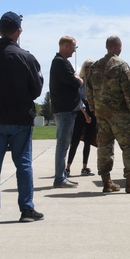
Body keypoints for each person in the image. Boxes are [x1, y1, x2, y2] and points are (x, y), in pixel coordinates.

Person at [0, 12, 45, 223]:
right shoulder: (27, 57)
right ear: (18, 32)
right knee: (23, 164)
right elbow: (36, 90)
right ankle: (26, 209)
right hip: (20, 119)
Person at [87, 36, 130, 194]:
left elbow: (89, 92)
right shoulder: (121, 65)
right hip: (120, 113)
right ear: (118, 46)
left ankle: (107, 183)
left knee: (104, 147)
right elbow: (127, 91)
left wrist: (95, 109)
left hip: (101, 114)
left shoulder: (94, 66)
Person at [50, 35, 82, 189]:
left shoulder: (63, 62)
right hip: (64, 110)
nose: (75, 50)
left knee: (65, 144)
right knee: (62, 144)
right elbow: (74, 82)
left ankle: (62, 176)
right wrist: (79, 79)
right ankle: (59, 179)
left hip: (68, 110)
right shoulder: (59, 63)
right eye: (74, 47)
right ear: (67, 46)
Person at [67, 59, 96, 176]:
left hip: (92, 110)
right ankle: (68, 167)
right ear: (85, 68)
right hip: (80, 111)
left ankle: (84, 166)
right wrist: (85, 114)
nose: (91, 69)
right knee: (75, 140)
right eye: (89, 67)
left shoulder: (95, 82)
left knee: (88, 140)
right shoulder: (81, 81)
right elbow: (78, 99)